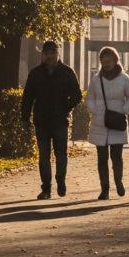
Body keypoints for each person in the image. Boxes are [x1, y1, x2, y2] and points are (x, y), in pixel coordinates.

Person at [21, 40, 82, 199]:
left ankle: (60, 180)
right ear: (42, 55)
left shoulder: (67, 72)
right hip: (41, 121)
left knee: (61, 154)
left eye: (53, 52)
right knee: (44, 156)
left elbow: (77, 95)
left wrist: (65, 107)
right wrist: (24, 117)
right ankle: (46, 188)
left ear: (58, 54)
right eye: (47, 53)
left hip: (60, 120)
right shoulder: (35, 73)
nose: (50, 56)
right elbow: (28, 97)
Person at [85, 46, 129, 200]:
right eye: (103, 60)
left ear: (115, 60)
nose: (106, 63)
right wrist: (95, 110)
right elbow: (89, 98)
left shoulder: (124, 79)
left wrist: (123, 110)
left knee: (117, 157)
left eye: (109, 60)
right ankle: (104, 189)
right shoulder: (96, 79)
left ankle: (118, 181)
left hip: (117, 123)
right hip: (99, 123)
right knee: (101, 158)